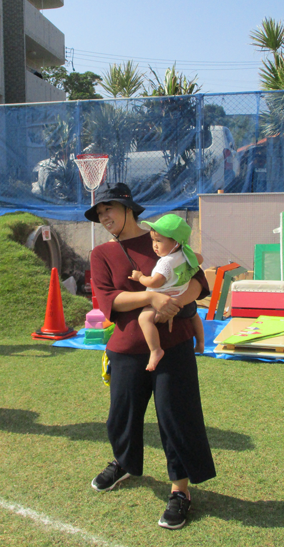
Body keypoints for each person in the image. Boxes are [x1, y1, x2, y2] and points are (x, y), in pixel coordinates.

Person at [85, 183, 215, 531]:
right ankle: (123, 462)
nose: (104, 217)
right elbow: (108, 301)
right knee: (121, 414)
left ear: (130, 209)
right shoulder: (101, 255)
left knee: (176, 417)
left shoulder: (163, 238)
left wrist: (178, 300)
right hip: (126, 348)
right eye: (99, 213)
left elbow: (200, 280)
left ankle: (180, 491)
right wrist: (151, 298)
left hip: (174, 346)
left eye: (109, 208)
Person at [129, 214, 206, 371]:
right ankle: (200, 343)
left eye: (159, 241)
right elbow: (200, 259)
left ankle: (155, 350)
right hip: (184, 300)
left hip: (163, 300)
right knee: (194, 315)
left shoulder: (165, 262)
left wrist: (140, 277)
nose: (155, 245)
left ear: (176, 242)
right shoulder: (185, 253)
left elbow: (154, 282)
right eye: (153, 240)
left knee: (144, 319)